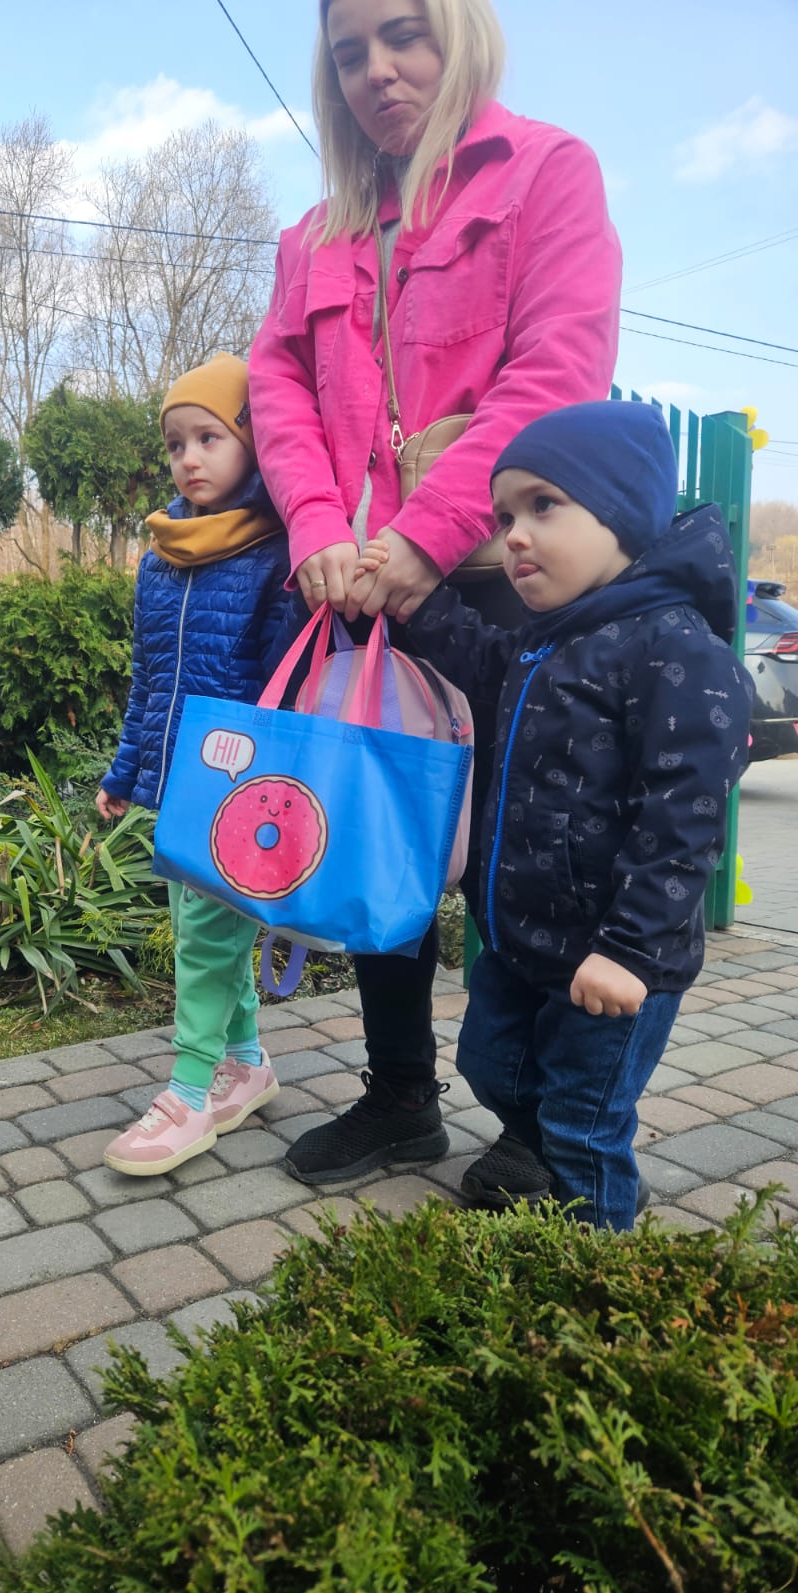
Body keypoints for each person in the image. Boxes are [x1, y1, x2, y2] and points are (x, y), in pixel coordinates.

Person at [247, 0, 622, 1189]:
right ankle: (401, 1097)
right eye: (349, 51)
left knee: (536, 856)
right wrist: (318, 524)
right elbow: (277, 386)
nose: (378, 70)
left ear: (460, 31)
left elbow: (558, 368)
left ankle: (543, 1125)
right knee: (375, 830)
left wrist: (426, 531)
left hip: (502, 582)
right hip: (359, 587)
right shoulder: (313, 237)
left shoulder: (547, 173)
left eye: (404, 34)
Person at [353, 400, 753, 1228]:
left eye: (544, 506)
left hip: (613, 957)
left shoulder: (677, 649)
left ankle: (592, 1263)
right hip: (520, 942)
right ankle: (582, 1179)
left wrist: (631, 950)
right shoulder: (547, 638)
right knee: (490, 1065)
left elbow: (685, 818)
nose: (514, 537)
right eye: (505, 517)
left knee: (582, 1122)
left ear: (624, 515)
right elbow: (477, 656)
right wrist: (414, 602)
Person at [98, 353, 289, 1176]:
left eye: (210, 437)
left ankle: (187, 1093)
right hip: (175, 786)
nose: (189, 458)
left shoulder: (278, 554)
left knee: (207, 941)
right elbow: (148, 680)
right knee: (198, 930)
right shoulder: (161, 557)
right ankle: (245, 1064)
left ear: (254, 441)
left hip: (241, 792)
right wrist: (123, 773)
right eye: (176, 443)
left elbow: (287, 689)